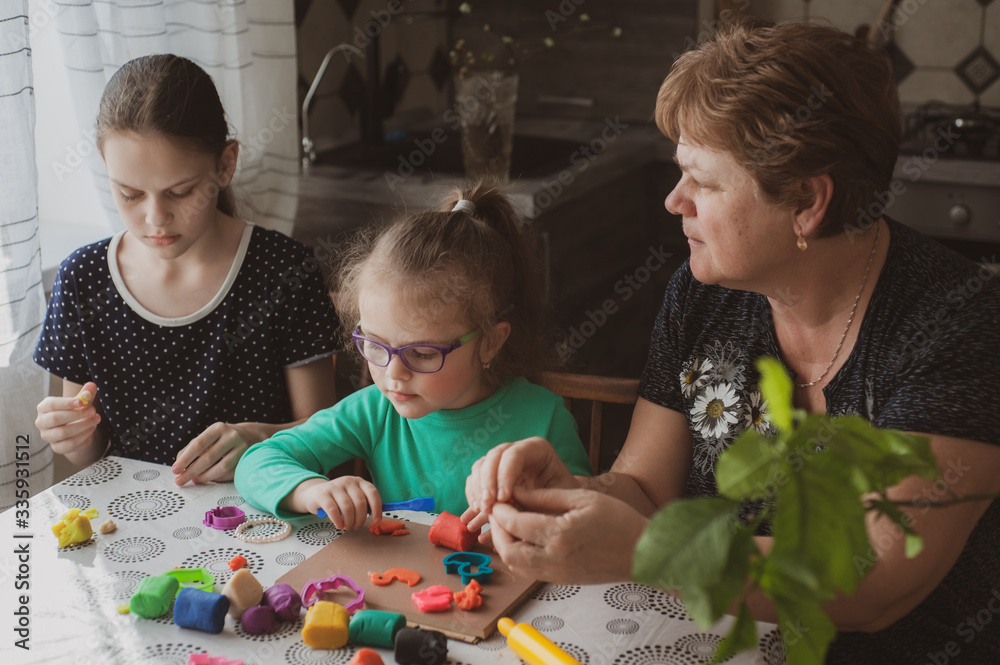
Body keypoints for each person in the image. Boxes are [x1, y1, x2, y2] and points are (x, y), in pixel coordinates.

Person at [463, 18, 1000, 663]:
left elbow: (876, 580)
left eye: (704, 181)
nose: (674, 200)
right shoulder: (703, 293)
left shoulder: (960, 324)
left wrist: (642, 553)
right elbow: (646, 489)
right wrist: (572, 495)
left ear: (807, 200)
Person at [33, 55, 340, 485]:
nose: (155, 218)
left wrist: (259, 439)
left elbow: (330, 440)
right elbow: (93, 455)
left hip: (260, 523)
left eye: (181, 192)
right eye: (130, 194)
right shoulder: (82, 279)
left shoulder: (283, 272)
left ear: (225, 165)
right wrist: (71, 435)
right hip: (134, 527)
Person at [234, 182, 592, 530]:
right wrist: (313, 490)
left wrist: (535, 515)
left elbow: (584, 520)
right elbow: (258, 462)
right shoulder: (374, 411)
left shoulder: (544, 420)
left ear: (489, 343)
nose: (394, 374)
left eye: (421, 353)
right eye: (375, 345)